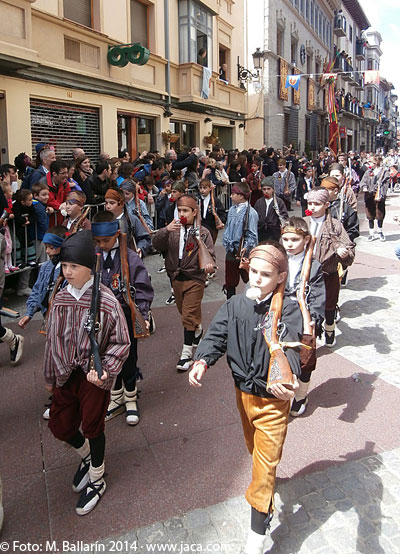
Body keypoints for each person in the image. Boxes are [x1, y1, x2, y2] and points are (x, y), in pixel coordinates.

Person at [189, 243, 302, 554]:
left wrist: (287, 378)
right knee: (254, 452)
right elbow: (216, 334)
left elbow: (292, 349)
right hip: (243, 394)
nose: (257, 279)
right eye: (253, 271)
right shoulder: (235, 304)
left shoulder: (289, 308)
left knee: (264, 467)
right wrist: (202, 360)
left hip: (272, 402)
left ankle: (256, 535)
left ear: (281, 277)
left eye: (266, 275)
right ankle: (264, 500)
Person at [43, 230, 130, 515]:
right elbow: (52, 338)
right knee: (59, 424)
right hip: (65, 374)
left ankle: (97, 477)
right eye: (64, 266)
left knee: (93, 426)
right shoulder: (60, 297)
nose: (67, 272)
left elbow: (121, 341)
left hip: (94, 376)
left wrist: (106, 369)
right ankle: (86, 457)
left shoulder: (105, 300)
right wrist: (49, 375)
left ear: (89, 267)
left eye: (74, 267)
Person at [92, 212, 154, 425]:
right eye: (98, 241)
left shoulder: (129, 257)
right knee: (108, 357)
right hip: (104, 318)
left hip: (125, 316)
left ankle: (130, 397)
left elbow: (143, 288)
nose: (102, 245)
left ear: (117, 235)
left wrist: (143, 314)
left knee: (128, 357)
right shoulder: (95, 257)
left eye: (106, 241)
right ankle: (116, 396)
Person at [152, 194, 215, 371]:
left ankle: (186, 354)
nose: (182, 214)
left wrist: (207, 264)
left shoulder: (203, 232)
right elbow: (156, 244)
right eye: (179, 210)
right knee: (184, 312)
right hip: (176, 278)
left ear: (194, 212)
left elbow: (210, 256)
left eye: (186, 210)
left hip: (195, 278)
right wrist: (165, 230)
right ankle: (197, 328)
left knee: (188, 314)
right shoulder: (172, 230)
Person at [281, 217, 325, 416]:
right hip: (281, 313)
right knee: (279, 352)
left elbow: (317, 294)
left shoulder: (313, 266)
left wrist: (314, 316)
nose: (289, 244)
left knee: (305, 357)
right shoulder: (279, 260)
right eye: (285, 239)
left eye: (294, 240)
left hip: (303, 315)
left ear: (306, 240)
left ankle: (301, 395)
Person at [304, 188, 355, 347]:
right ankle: (309, 334)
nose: (312, 207)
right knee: (307, 305)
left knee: (329, 306)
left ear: (326, 204)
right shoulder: (303, 223)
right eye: (310, 203)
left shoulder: (335, 226)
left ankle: (330, 330)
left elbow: (350, 251)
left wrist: (343, 252)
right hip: (306, 274)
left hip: (328, 273)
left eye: (317, 204)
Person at [222, 182, 258, 299]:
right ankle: (230, 302)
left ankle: (255, 300)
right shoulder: (232, 210)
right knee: (230, 280)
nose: (231, 196)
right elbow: (227, 227)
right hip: (231, 251)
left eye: (233, 194)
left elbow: (252, 234)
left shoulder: (251, 213)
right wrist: (227, 242)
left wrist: (246, 247)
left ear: (241, 195)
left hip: (244, 252)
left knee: (249, 278)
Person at [104, 188, 151, 257]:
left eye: (112, 203)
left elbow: (144, 238)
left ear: (122, 204)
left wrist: (140, 249)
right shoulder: (103, 221)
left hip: (129, 258)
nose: (108, 206)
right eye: (106, 203)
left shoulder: (132, 220)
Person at [360, 156, 390, 242]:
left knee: (380, 213)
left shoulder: (384, 172)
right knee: (370, 214)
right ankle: (371, 233)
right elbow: (363, 181)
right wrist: (365, 187)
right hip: (369, 196)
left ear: (375, 163)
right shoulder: (368, 172)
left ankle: (380, 231)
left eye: (370, 162)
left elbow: (386, 184)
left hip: (379, 196)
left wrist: (381, 194)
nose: (368, 164)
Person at [254, 177, 288, 243]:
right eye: (264, 189)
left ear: (273, 189)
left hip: (274, 232)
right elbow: (255, 216)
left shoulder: (278, 202)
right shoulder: (259, 202)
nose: (266, 191)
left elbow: (284, 216)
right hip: (261, 231)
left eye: (268, 189)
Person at [198, 178, 226, 243]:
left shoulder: (215, 201)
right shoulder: (198, 200)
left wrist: (220, 221)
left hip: (212, 227)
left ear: (210, 188)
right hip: (201, 226)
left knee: (210, 246)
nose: (202, 190)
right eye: (201, 188)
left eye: (205, 188)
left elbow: (222, 213)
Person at [44, 160, 71, 225]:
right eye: (63, 173)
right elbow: (47, 200)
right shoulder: (43, 184)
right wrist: (60, 206)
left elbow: (69, 195)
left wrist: (67, 203)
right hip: (48, 221)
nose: (66, 175)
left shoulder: (65, 183)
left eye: (67, 172)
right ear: (54, 174)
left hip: (61, 219)